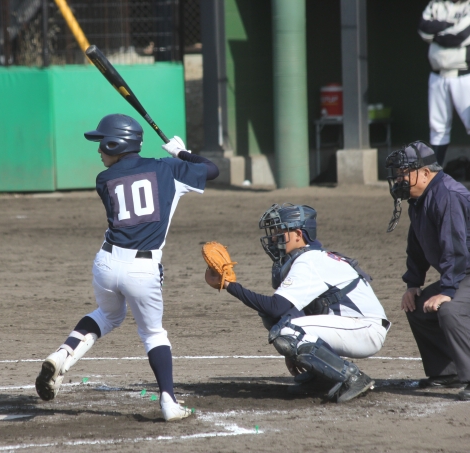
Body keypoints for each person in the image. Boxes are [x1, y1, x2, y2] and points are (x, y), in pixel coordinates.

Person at [35, 113, 219, 421]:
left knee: (108, 314)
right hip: (143, 268)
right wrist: (181, 154)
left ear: (115, 144)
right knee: (153, 334)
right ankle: (169, 402)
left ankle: (63, 354)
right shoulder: (168, 168)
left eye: (102, 143)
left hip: (106, 263)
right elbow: (212, 169)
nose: (99, 150)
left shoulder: (104, 180)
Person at [205, 203, 389, 403]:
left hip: (364, 329)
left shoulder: (310, 261)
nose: (273, 238)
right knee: (277, 320)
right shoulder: (311, 257)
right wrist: (293, 354)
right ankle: (323, 377)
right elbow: (279, 312)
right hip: (352, 326)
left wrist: (229, 285)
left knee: (288, 331)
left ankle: (353, 377)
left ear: (298, 234)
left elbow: (275, 306)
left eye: (279, 231)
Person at [384, 141, 470, 401]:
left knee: (449, 310)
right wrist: (413, 283)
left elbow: (455, 248)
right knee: (418, 307)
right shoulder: (420, 199)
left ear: (424, 173)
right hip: (463, 273)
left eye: (404, 173)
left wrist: (447, 291)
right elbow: (417, 245)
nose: (399, 179)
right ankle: (447, 372)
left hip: (464, 271)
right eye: (398, 174)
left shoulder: (448, 195)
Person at [418, 0, 470, 165]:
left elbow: (461, 35)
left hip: (463, 75)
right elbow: (423, 29)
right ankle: (434, 174)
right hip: (437, 75)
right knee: (437, 128)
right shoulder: (436, 4)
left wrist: (436, 34)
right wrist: (450, 25)